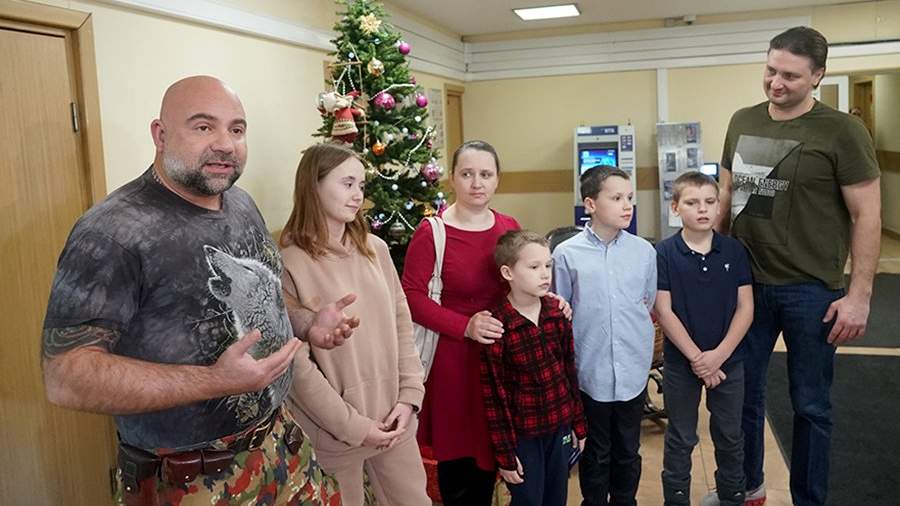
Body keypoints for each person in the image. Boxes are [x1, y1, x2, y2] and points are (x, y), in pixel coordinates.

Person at [41, 76, 356, 506]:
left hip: (282, 444)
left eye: (236, 129)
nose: (225, 144)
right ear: (161, 135)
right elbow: (65, 376)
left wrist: (305, 321)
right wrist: (214, 381)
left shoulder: (240, 203)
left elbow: (263, 293)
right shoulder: (112, 232)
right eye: (204, 126)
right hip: (192, 480)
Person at [718, 27, 881, 506]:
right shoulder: (742, 120)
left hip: (811, 290)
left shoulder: (842, 131)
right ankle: (748, 489)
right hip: (746, 284)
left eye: (790, 75)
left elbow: (868, 215)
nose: (776, 82)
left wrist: (859, 296)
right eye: (771, 70)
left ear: (818, 76)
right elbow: (725, 197)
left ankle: (809, 499)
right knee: (743, 397)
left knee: (810, 405)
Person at [279, 142, 430, 506]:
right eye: (347, 184)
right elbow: (297, 367)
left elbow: (402, 323)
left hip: (395, 420)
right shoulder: (289, 263)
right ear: (313, 186)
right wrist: (353, 427)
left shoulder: (376, 249)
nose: (358, 195)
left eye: (361, 185)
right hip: (334, 433)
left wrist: (410, 397)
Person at [552, 166, 657, 506]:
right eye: (616, 198)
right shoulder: (566, 254)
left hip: (632, 371)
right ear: (590, 204)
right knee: (596, 451)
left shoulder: (644, 252)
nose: (627, 205)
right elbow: (561, 311)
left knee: (628, 449)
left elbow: (647, 302)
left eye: (630, 198)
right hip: (590, 372)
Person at [653, 172, 754, 506]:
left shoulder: (734, 251)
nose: (703, 209)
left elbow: (746, 308)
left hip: (728, 363)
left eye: (710, 202)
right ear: (675, 207)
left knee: (729, 435)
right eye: (692, 202)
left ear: (719, 207)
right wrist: (698, 359)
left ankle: (732, 497)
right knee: (681, 437)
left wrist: (718, 356)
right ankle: (676, 499)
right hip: (681, 363)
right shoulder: (664, 252)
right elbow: (664, 310)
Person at [480, 230, 587, 506]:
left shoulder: (557, 314)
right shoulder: (497, 326)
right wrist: (505, 453)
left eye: (548, 266)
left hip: (559, 426)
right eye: (534, 267)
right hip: (523, 436)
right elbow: (495, 396)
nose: (545, 274)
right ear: (508, 272)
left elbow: (569, 372)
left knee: (557, 497)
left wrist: (578, 424)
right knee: (528, 499)